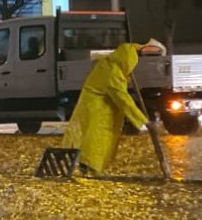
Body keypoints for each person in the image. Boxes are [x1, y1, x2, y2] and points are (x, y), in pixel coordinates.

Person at [61, 43, 148, 176]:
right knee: (95, 141)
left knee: (90, 139)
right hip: (99, 112)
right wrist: (143, 122)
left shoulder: (107, 65)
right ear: (127, 61)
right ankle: (90, 170)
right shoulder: (113, 73)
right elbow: (123, 100)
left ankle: (88, 168)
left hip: (93, 108)